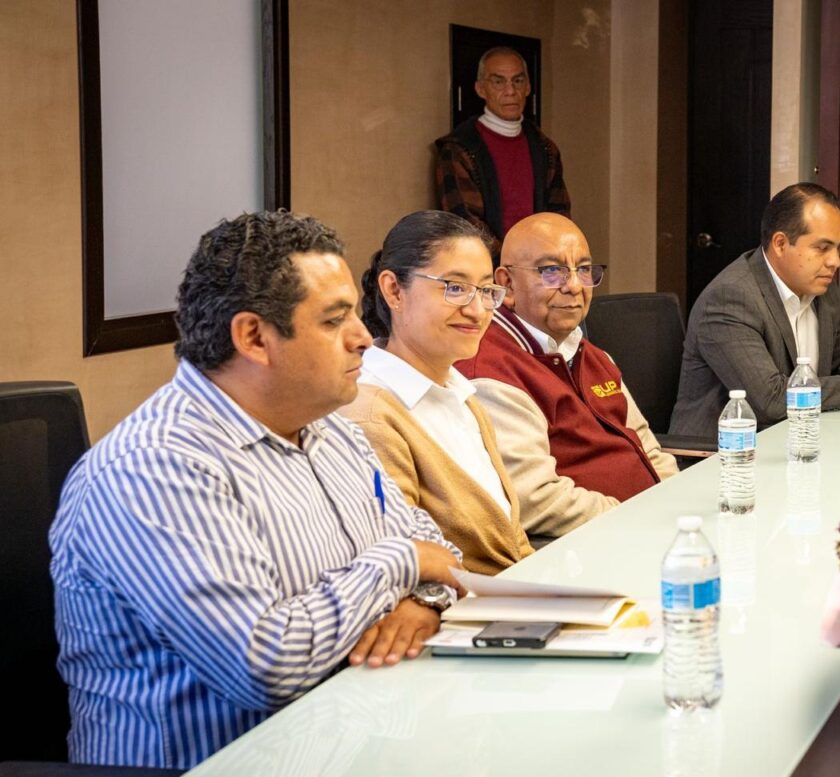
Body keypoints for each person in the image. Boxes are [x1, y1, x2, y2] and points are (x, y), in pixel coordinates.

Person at [49, 211, 465, 770]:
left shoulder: (331, 430)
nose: (364, 337)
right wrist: (401, 563)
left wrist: (424, 601)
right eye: (334, 320)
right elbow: (265, 666)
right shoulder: (154, 469)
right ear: (253, 338)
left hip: (348, 740)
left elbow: (443, 555)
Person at [456, 212, 678, 542]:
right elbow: (537, 499)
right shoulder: (490, 372)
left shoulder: (593, 355)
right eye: (551, 271)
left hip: (655, 527)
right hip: (595, 544)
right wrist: (639, 518)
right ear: (507, 285)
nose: (574, 286)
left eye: (583, 270)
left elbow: (648, 448)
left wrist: (679, 504)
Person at [339, 210, 533, 574]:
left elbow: (513, 542)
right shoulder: (369, 415)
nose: (477, 311)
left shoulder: (462, 395)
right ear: (394, 290)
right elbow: (400, 566)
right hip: (459, 605)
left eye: (486, 291)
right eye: (455, 288)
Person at [669, 182, 840, 445]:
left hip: (801, 445)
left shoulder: (821, 289)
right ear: (780, 244)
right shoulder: (729, 298)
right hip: (725, 456)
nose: (835, 261)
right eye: (822, 248)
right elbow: (770, 400)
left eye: (838, 248)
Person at [435, 46, 570, 262]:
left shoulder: (545, 149)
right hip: (484, 269)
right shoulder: (459, 149)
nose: (510, 91)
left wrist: (545, 260)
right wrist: (512, 261)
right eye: (498, 82)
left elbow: (559, 215)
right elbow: (465, 224)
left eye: (518, 81)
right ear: (481, 89)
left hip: (540, 266)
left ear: (528, 87)